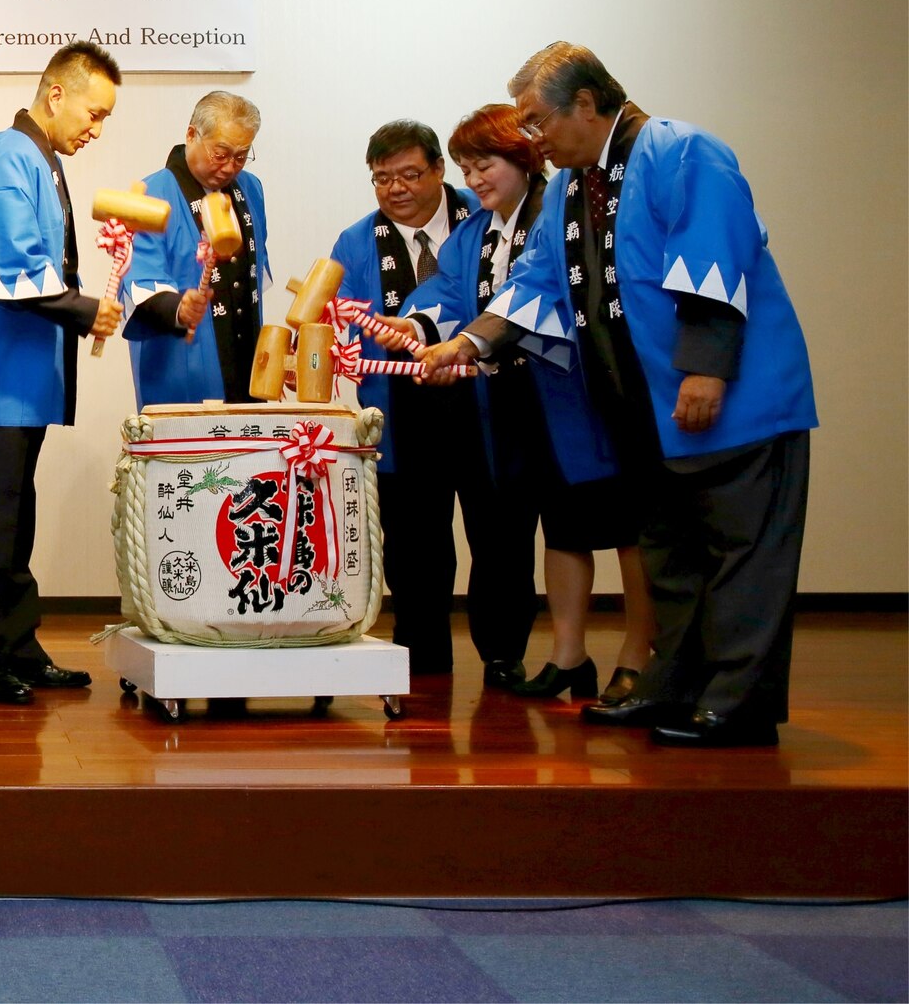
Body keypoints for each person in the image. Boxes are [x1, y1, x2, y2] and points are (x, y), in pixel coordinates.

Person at [421, 43, 816, 747]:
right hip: (647, 413)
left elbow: (715, 253)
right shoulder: (573, 190)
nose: (534, 138)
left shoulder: (681, 151)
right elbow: (538, 281)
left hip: (732, 401)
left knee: (742, 556)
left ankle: (740, 702)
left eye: (539, 120)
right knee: (670, 557)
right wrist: (468, 342)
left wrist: (704, 368)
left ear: (585, 102)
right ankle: (677, 684)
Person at [396, 104, 650, 704]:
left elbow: (546, 297)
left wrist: (461, 343)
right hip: (504, 402)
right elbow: (449, 291)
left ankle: (639, 655)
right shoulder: (477, 231)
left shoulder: (556, 212)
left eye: (484, 165)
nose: (475, 179)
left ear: (523, 158)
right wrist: (413, 326)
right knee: (556, 531)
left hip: (575, 398)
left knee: (622, 526)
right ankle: (569, 655)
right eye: (467, 168)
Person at [0, 41, 124, 705]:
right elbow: (14, 269)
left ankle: (16, 643)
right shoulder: (8, 157)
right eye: (93, 114)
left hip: (19, 380)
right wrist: (88, 310)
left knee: (14, 521)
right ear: (56, 93)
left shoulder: (35, 158)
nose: (94, 130)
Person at [329, 120, 534, 686]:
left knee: (498, 530)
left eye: (409, 174)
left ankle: (503, 653)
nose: (396, 188)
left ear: (439, 170)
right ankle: (420, 653)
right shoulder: (355, 241)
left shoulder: (484, 217)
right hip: (404, 407)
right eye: (381, 179)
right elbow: (341, 323)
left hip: (488, 398)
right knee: (415, 537)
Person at [121, 91, 272, 408]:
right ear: (191, 134)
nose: (231, 166)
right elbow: (140, 279)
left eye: (242, 156)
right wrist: (179, 307)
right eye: (221, 154)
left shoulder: (251, 189)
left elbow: (255, 278)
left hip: (244, 354)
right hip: (181, 361)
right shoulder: (150, 194)